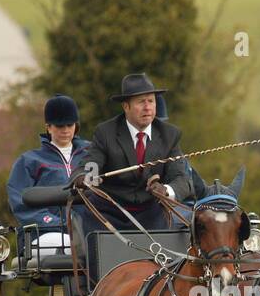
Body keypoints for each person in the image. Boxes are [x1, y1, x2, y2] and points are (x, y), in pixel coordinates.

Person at [71, 73, 192, 248]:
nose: (147, 107)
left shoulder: (169, 135)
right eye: (141, 102)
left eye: (151, 101)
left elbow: (183, 180)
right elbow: (91, 164)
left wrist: (165, 190)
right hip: (108, 218)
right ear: (126, 106)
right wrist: (86, 176)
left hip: (153, 218)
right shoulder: (105, 133)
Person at [6, 94, 91, 251]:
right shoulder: (29, 161)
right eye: (59, 126)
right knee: (69, 245)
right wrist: (54, 222)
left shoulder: (93, 154)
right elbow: (19, 201)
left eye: (69, 125)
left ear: (76, 125)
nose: (65, 130)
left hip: (91, 230)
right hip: (47, 232)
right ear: (48, 126)